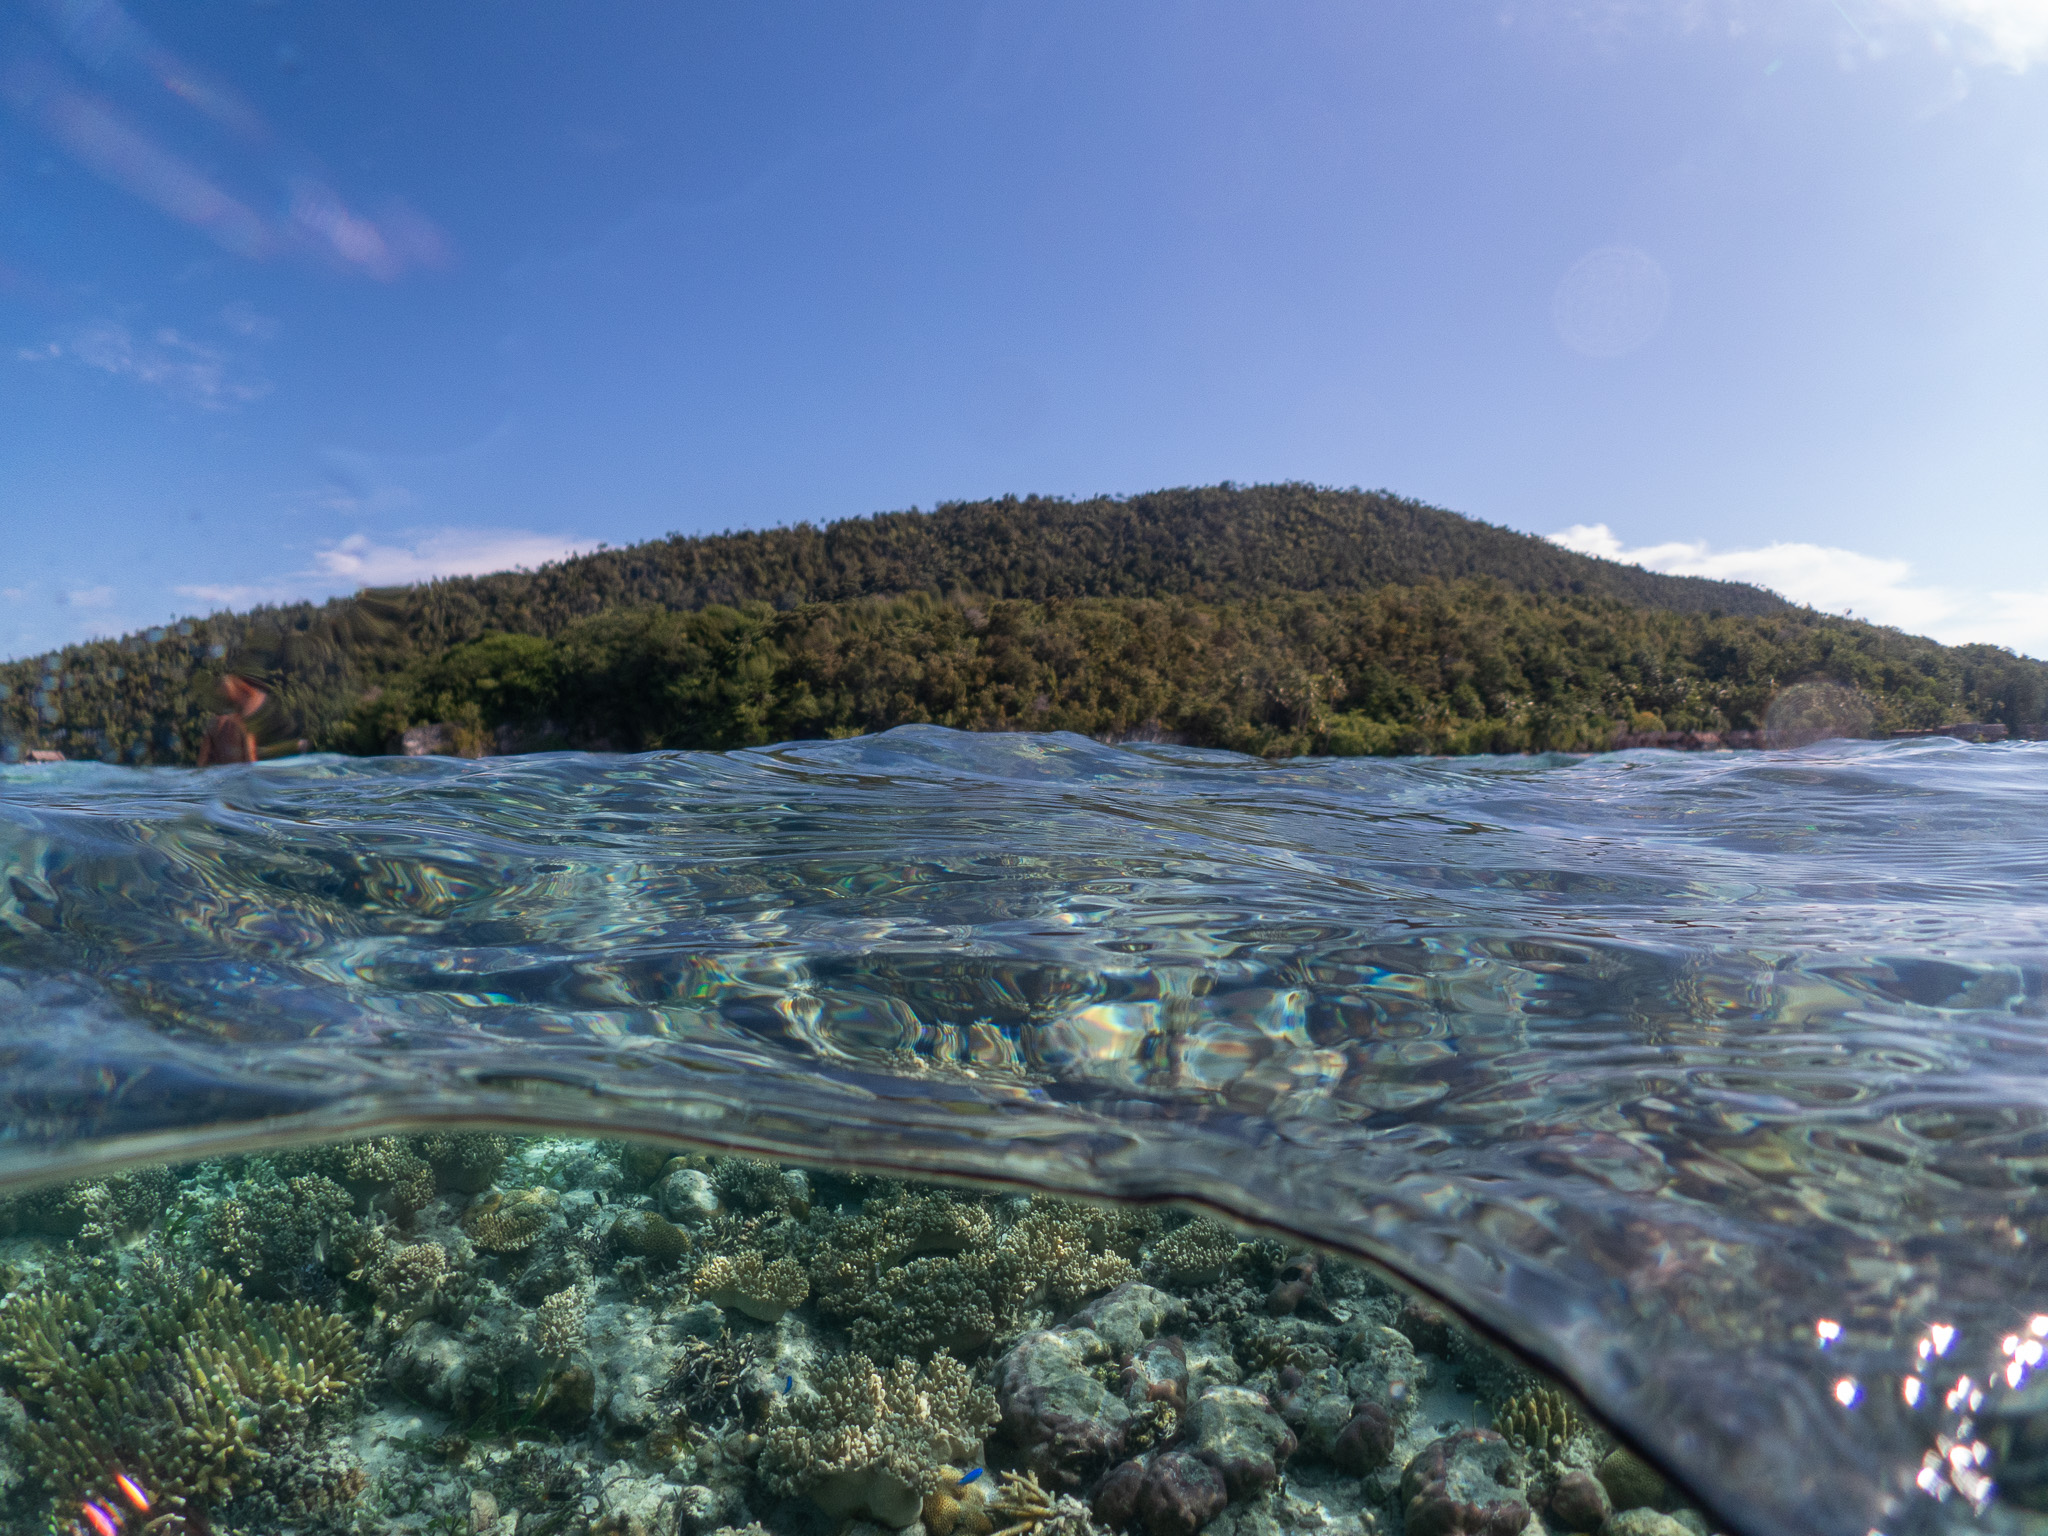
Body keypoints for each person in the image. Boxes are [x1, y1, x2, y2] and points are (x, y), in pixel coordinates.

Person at [196, 674, 267, 766]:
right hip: (240, 775)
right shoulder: (243, 724)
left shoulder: (212, 724)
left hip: (221, 777)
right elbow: (251, 758)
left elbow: (201, 762)